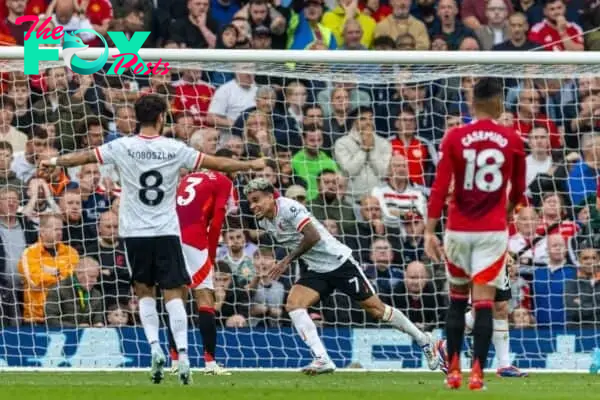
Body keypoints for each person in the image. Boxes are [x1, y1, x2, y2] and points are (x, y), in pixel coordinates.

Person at [40, 94, 265, 385]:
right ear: (161, 118)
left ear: (136, 118)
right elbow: (217, 162)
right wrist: (252, 164)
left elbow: (83, 156)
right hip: (166, 232)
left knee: (144, 292)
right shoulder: (174, 147)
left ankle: (156, 349)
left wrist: (54, 161)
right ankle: (183, 356)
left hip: (134, 234)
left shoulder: (122, 145)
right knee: (174, 293)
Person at [244, 178, 439, 375]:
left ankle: (424, 340)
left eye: (256, 199)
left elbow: (313, 236)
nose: (253, 206)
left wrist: (286, 261)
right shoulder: (263, 220)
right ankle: (322, 359)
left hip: (339, 263)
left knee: (377, 311)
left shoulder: (289, 208)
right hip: (316, 268)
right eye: (250, 202)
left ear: (270, 196)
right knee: (294, 304)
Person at [424, 77, 526, 390]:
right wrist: (506, 213)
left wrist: (430, 230)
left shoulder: (455, 137)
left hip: (458, 230)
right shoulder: (511, 139)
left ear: (471, 103)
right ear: (499, 103)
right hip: (491, 233)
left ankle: (453, 371)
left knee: (457, 301)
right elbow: (519, 190)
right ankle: (478, 374)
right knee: (484, 304)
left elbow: (440, 188)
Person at [168, 148, 238, 376]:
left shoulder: (189, 177)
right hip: (195, 239)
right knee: (205, 297)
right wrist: (209, 254)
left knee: (177, 298)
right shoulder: (223, 181)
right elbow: (217, 222)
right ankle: (210, 363)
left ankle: (175, 361)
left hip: (172, 236)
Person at [437, 252, 529, 378]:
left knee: (501, 307)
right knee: (481, 307)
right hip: (474, 251)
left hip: (495, 252)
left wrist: (502, 250)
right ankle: (446, 346)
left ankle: (504, 365)